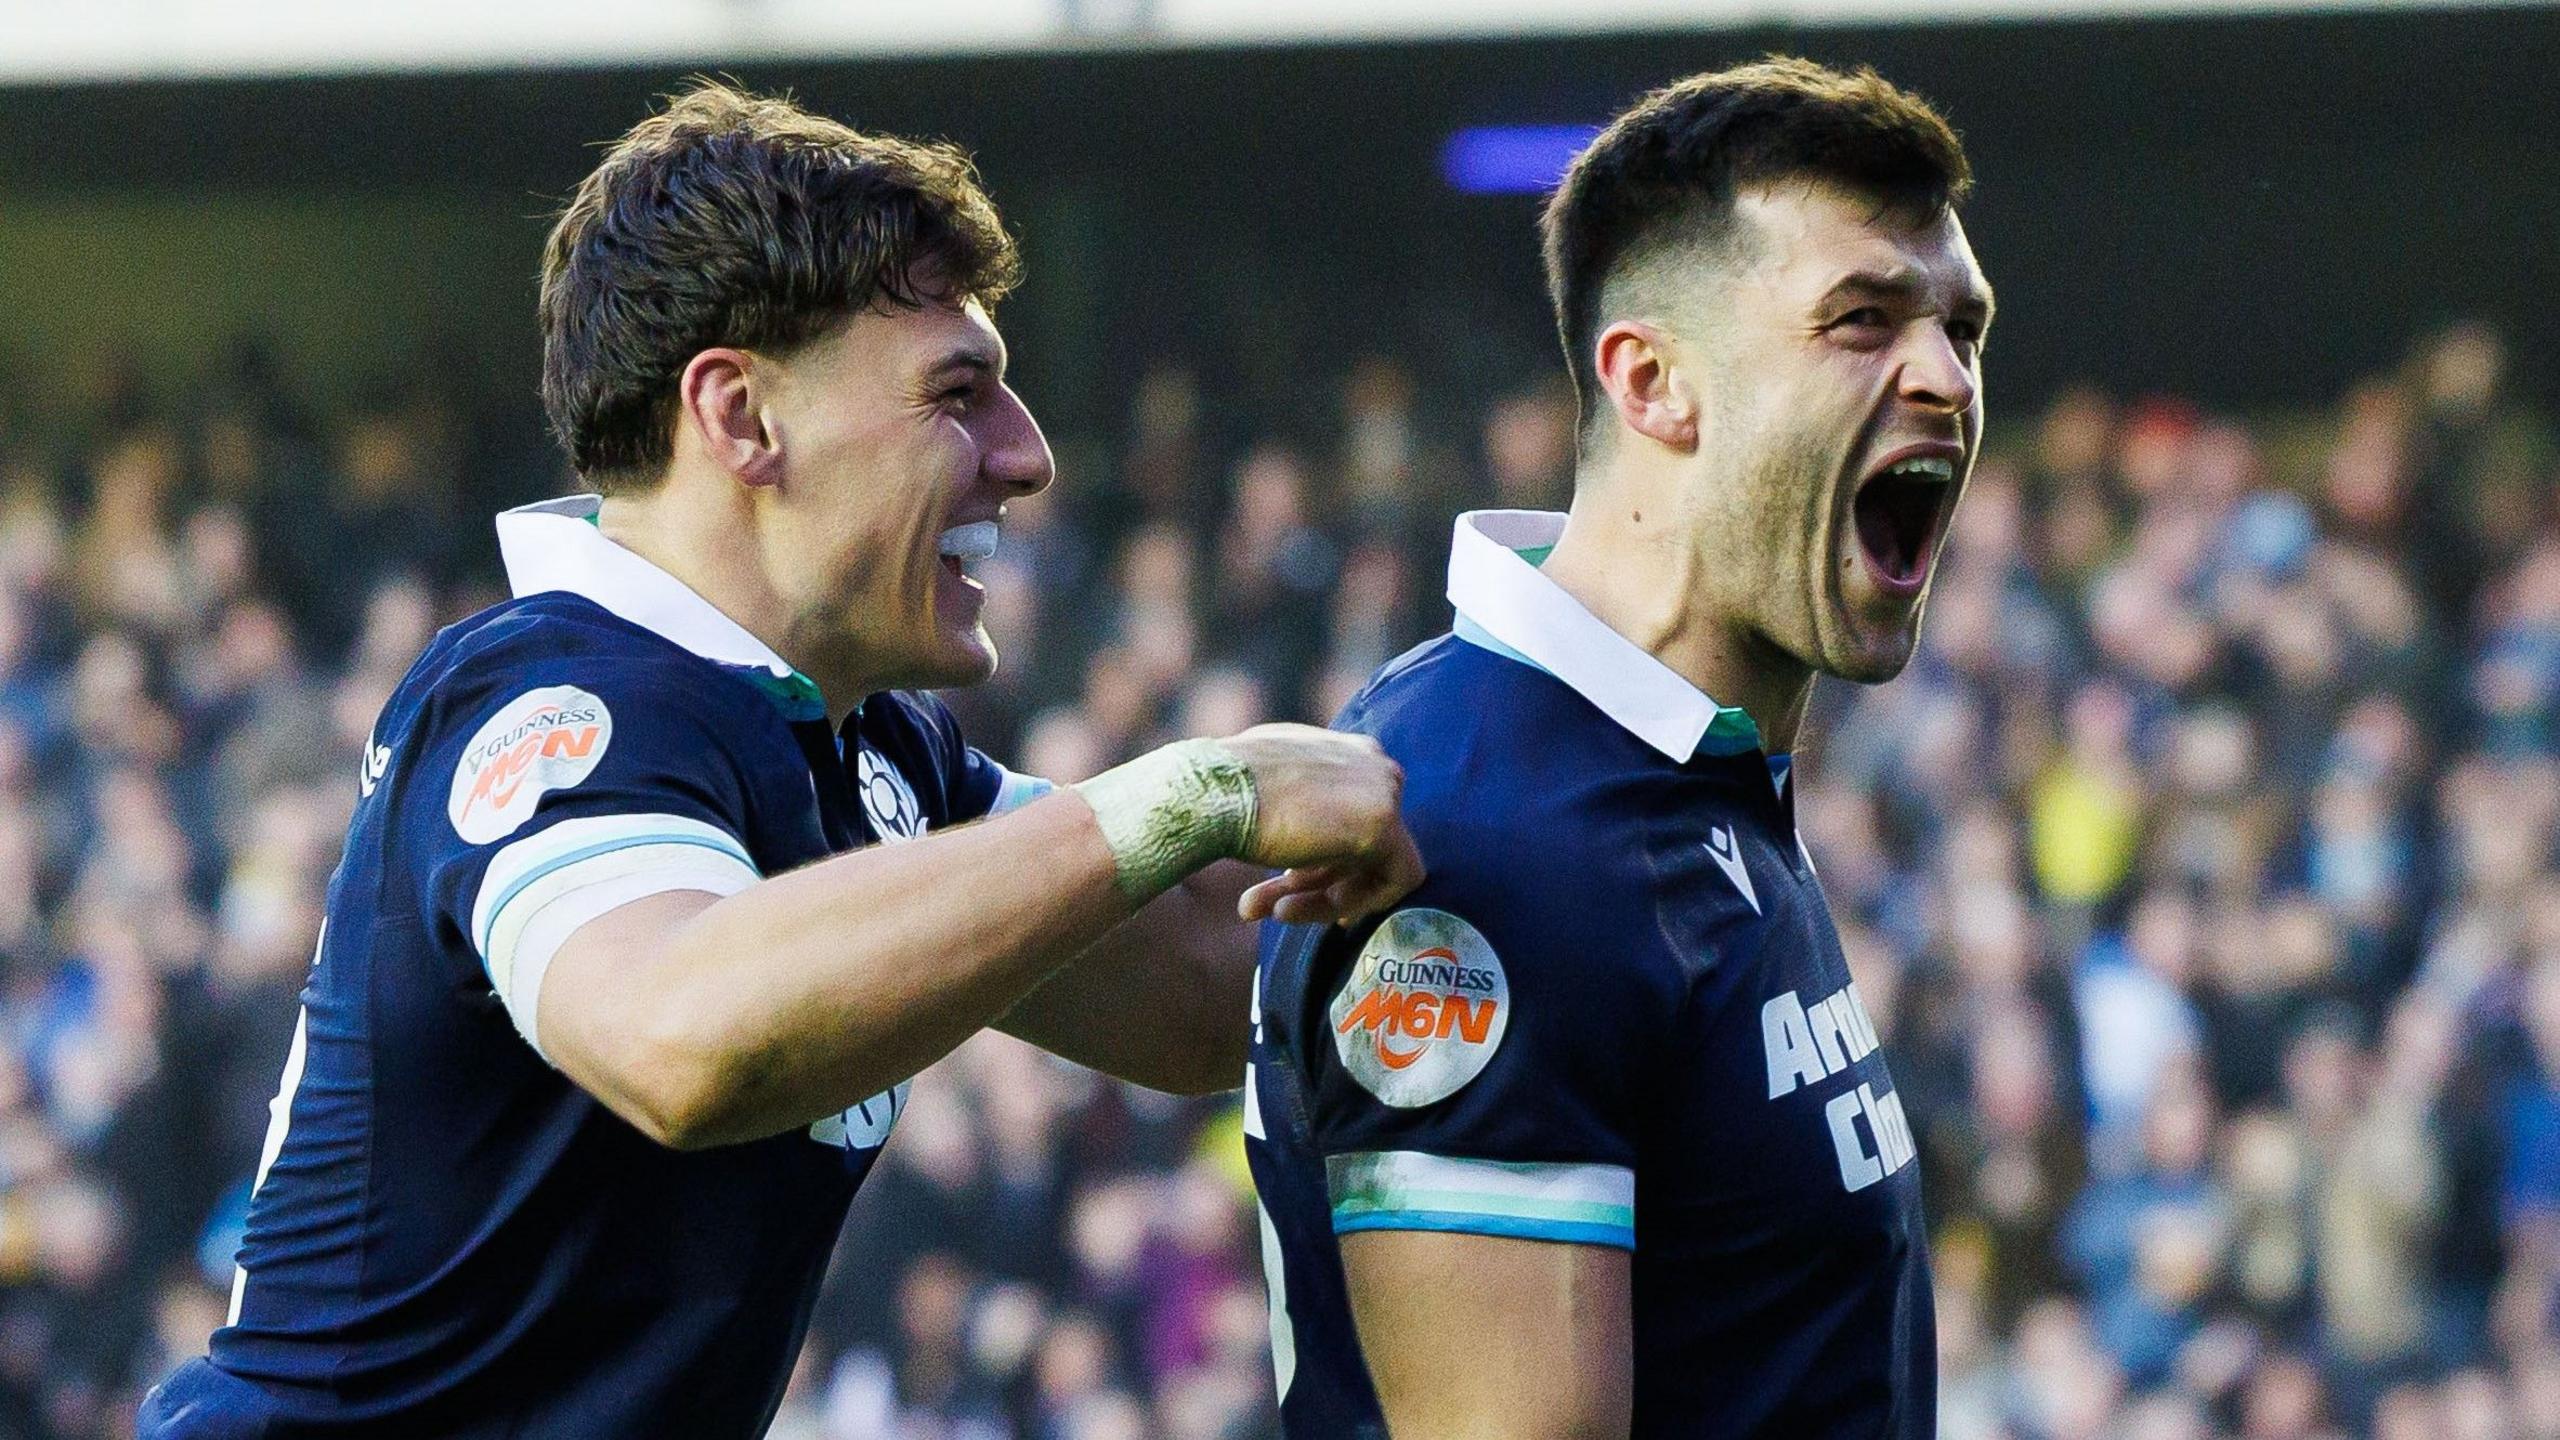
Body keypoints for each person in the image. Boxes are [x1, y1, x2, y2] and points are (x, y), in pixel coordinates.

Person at [139, 82, 1420, 1439]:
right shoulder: (553, 695)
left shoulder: (866, 745)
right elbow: (681, 1034)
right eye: (958, 393)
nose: (1028, 456)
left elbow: (1196, 998)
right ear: (742, 421)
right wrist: (1193, 788)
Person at [1246, 58, 1990, 1437]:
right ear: (1652, 384)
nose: (1945, 378)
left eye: (1962, 329)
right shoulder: (1496, 831)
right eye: (1861, 321)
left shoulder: (1677, 765)